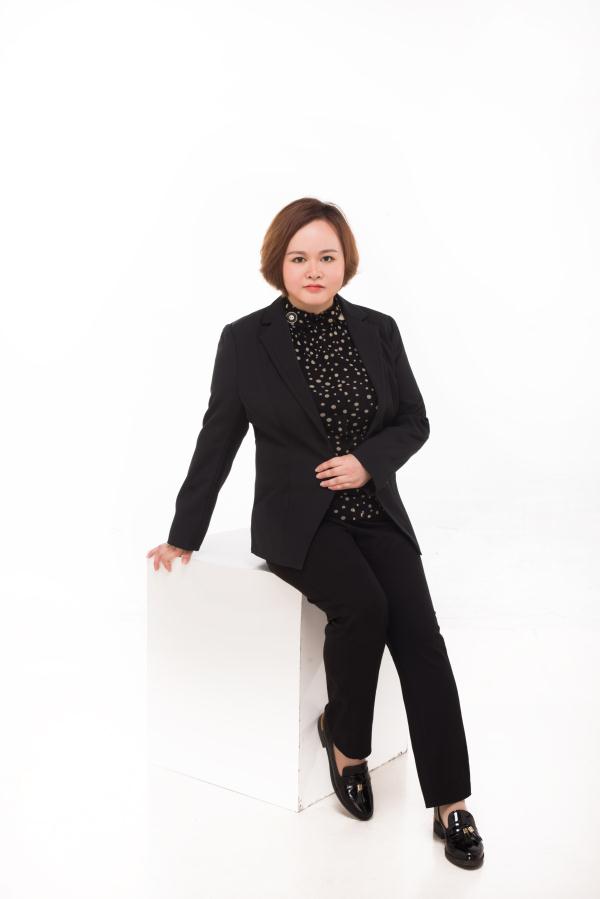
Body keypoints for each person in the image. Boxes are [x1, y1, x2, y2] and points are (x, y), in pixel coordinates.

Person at [146, 197, 484, 869]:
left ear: (344, 263)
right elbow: (218, 437)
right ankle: (347, 744)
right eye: (299, 257)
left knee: (421, 638)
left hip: (374, 509)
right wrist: (185, 531)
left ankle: (452, 802)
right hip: (296, 520)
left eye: (327, 256)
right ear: (278, 264)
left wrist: (368, 462)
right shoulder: (245, 340)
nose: (313, 269)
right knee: (363, 606)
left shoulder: (378, 329)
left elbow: (412, 421)